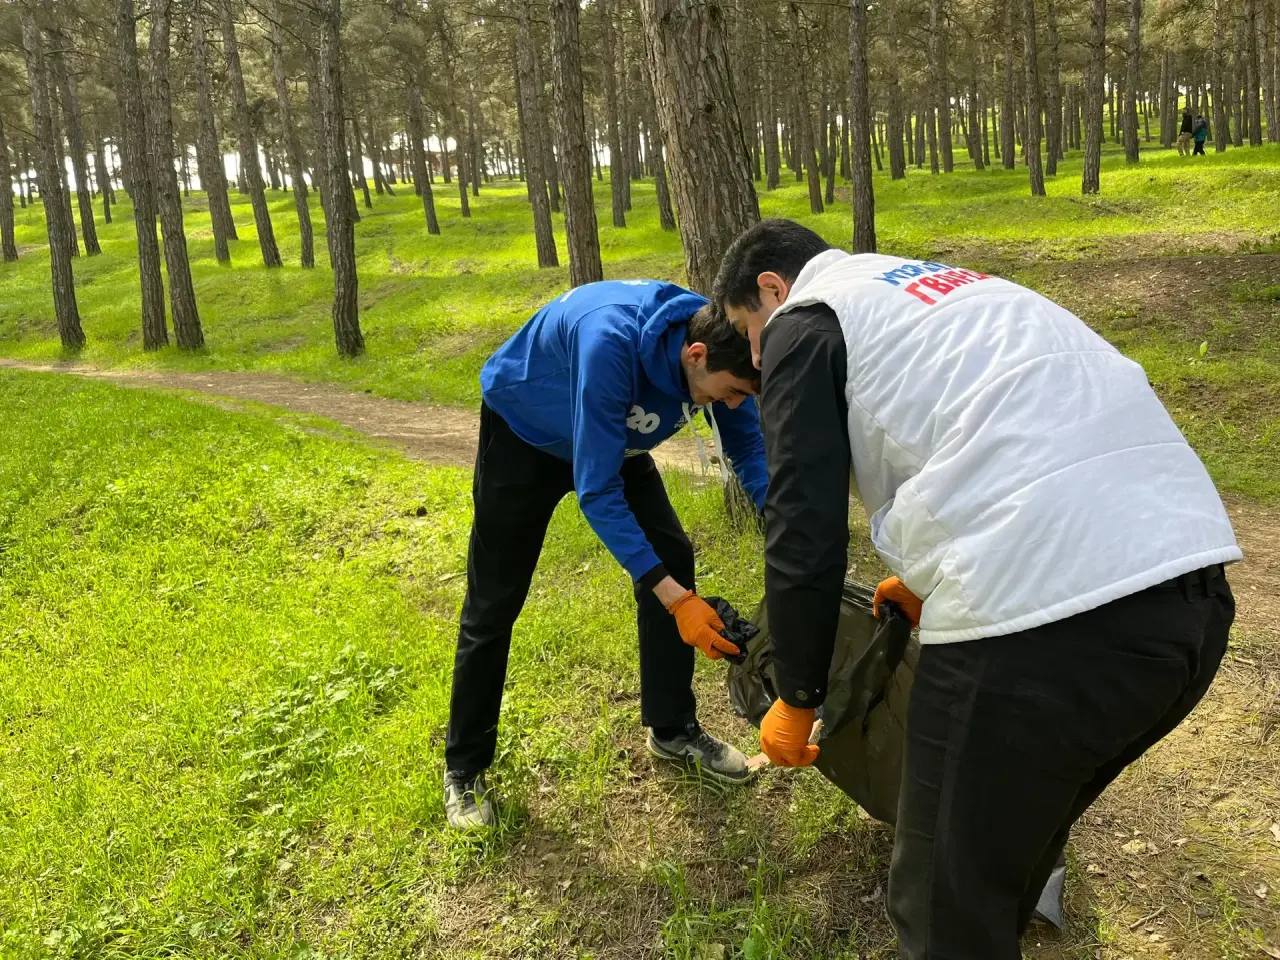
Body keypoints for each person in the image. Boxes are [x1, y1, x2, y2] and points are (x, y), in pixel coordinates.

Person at [714, 219, 1241, 959]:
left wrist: (797, 697)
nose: (761, 359)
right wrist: (928, 574)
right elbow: (1001, 435)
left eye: (750, 332)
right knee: (1006, 847)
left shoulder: (809, 316)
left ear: (772, 288)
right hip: (1188, 601)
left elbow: (805, 530)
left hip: (1042, 626)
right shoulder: (946, 291)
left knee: (940, 911)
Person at [443, 280, 769, 829]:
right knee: (494, 602)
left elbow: (748, 449)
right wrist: (675, 600)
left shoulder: (725, 348)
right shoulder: (611, 342)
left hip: (609, 434)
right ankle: (463, 769)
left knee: (672, 553)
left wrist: (781, 524)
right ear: (695, 357)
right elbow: (597, 491)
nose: (733, 404)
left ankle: (671, 730)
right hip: (525, 431)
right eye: (729, 392)